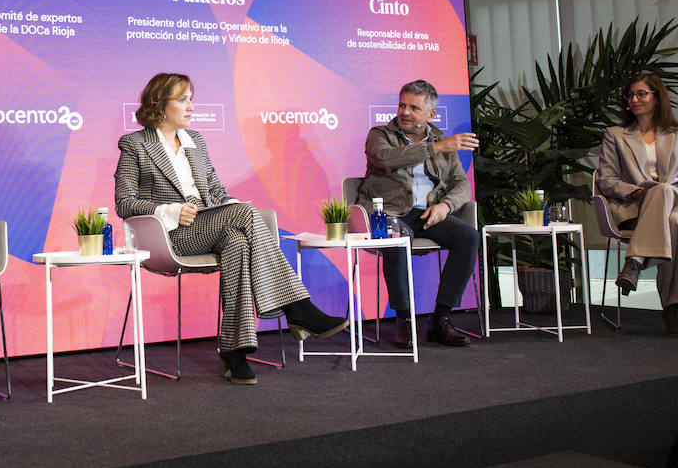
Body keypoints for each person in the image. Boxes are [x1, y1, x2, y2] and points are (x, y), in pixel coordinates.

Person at [113, 72, 348, 385]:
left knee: (238, 241)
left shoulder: (195, 141)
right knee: (245, 216)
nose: (191, 107)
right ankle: (298, 308)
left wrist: (232, 206)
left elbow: (215, 189)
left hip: (210, 223)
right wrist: (168, 211)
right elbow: (124, 202)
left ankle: (234, 351)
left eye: (191, 99)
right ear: (159, 104)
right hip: (172, 236)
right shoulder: (135, 144)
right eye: (183, 100)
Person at [357, 79, 479, 348]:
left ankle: (442, 318)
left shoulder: (440, 140)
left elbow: (461, 183)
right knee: (398, 238)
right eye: (402, 105)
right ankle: (404, 320)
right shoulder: (379, 134)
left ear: (431, 114)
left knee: (468, 237)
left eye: (414, 107)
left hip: (428, 213)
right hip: (388, 212)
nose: (405, 112)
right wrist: (436, 148)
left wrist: (445, 206)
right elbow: (386, 159)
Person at [595, 72, 678, 337]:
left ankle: (634, 262)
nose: (634, 99)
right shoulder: (615, 135)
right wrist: (637, 193)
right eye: (630, 95)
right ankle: (673, 309)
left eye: (641, 94)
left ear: (657, 98)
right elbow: (606, 179)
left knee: (666, 194)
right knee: (674, 223)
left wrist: (670, 190)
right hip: (639, 207)